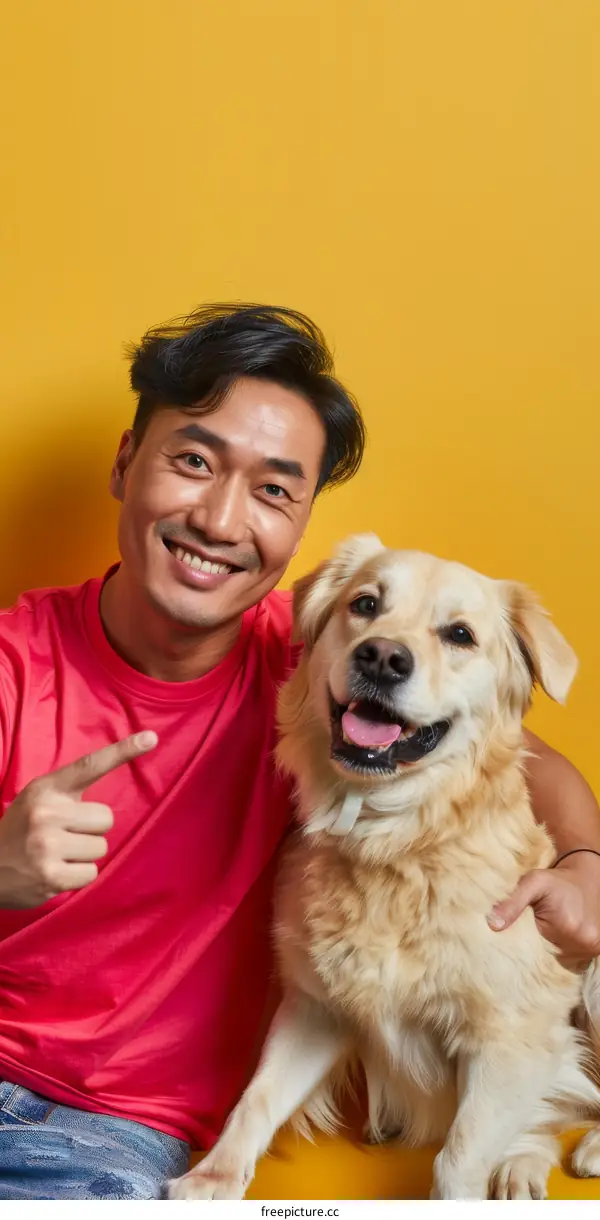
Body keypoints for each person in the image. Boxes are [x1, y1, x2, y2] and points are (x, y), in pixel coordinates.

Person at [0, 304, 597, 1200]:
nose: (220, 517)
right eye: (193, 461)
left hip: (106, 1132)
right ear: (126, 462)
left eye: (275, 489)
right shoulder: (13, 661)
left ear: (302, 519)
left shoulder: (312, 659)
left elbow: (520, 755)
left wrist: (587, 860)